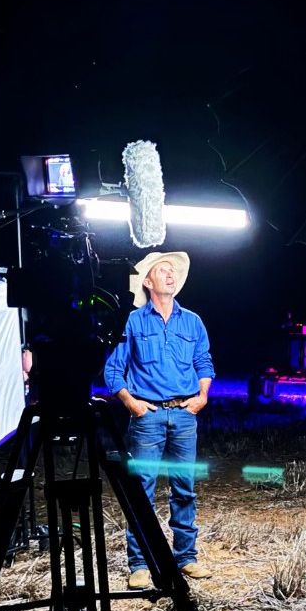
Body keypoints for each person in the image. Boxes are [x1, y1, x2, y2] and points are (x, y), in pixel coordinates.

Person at [103, 252, 214, 588]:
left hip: (184, 415)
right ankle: (140, 563)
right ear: (147, 281)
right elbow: (113, 369)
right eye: (163, 270)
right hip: (147, 416)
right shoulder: (133, 321)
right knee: (142, 490)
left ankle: (186, 558)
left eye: (174, 271)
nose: (171, 275)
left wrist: (202, 397)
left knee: (185, 488)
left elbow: (203, 362)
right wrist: (131, 403)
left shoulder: (192, 321)